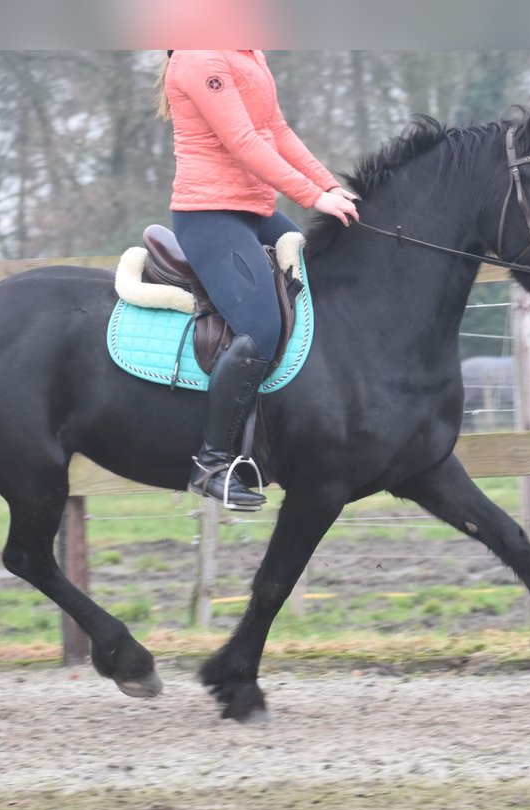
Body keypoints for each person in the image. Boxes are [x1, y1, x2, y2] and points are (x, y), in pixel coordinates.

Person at [158, 50, 359, 510]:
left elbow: (277, 132)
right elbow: (242, 140)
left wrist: (328, 186)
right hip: (208, 215)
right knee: (262, 326)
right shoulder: (197, 58)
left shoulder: (248, 51)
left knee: (316, 284)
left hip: (254, 212)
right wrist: (313, 197)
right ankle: (211, 464)